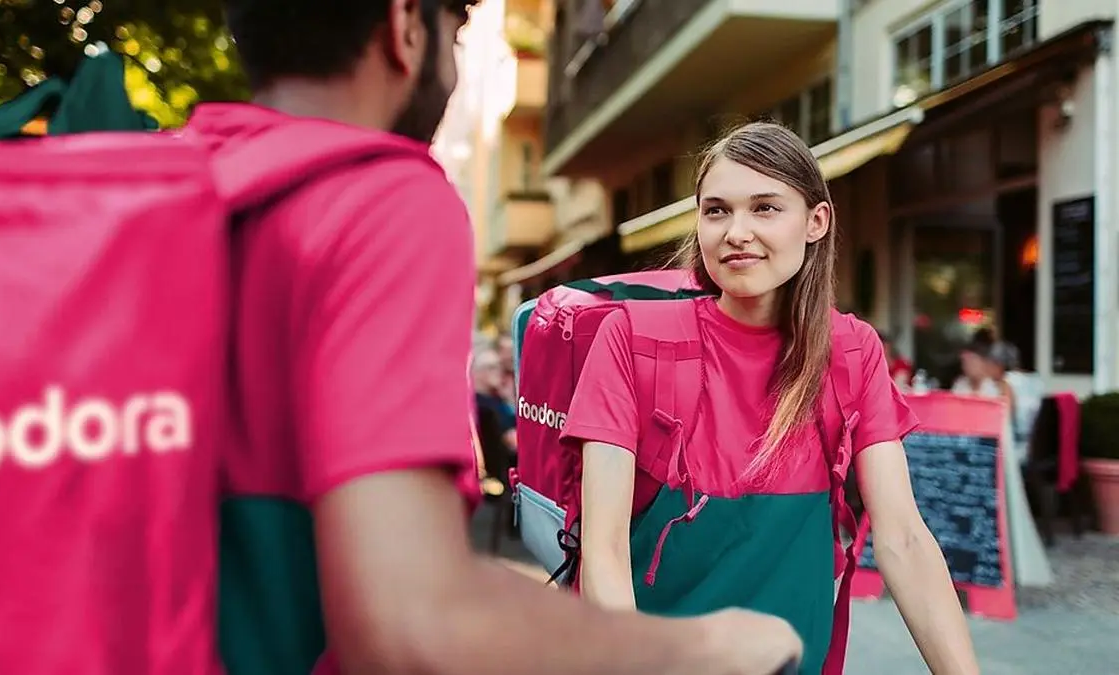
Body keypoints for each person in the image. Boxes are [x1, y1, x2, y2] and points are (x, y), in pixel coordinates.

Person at [201, 2, 804, 673]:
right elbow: (414, 620)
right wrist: (702, 648)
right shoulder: (381, 199)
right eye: (457, 31)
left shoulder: (184, 182)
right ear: (406, 27)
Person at [564, 122, 980, 674]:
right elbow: (605, 553)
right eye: (716, 210)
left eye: (765, 208)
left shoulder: (851, 351)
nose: (736, 231)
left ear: (816, 222)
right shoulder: (632, 338)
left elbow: (903, 537)